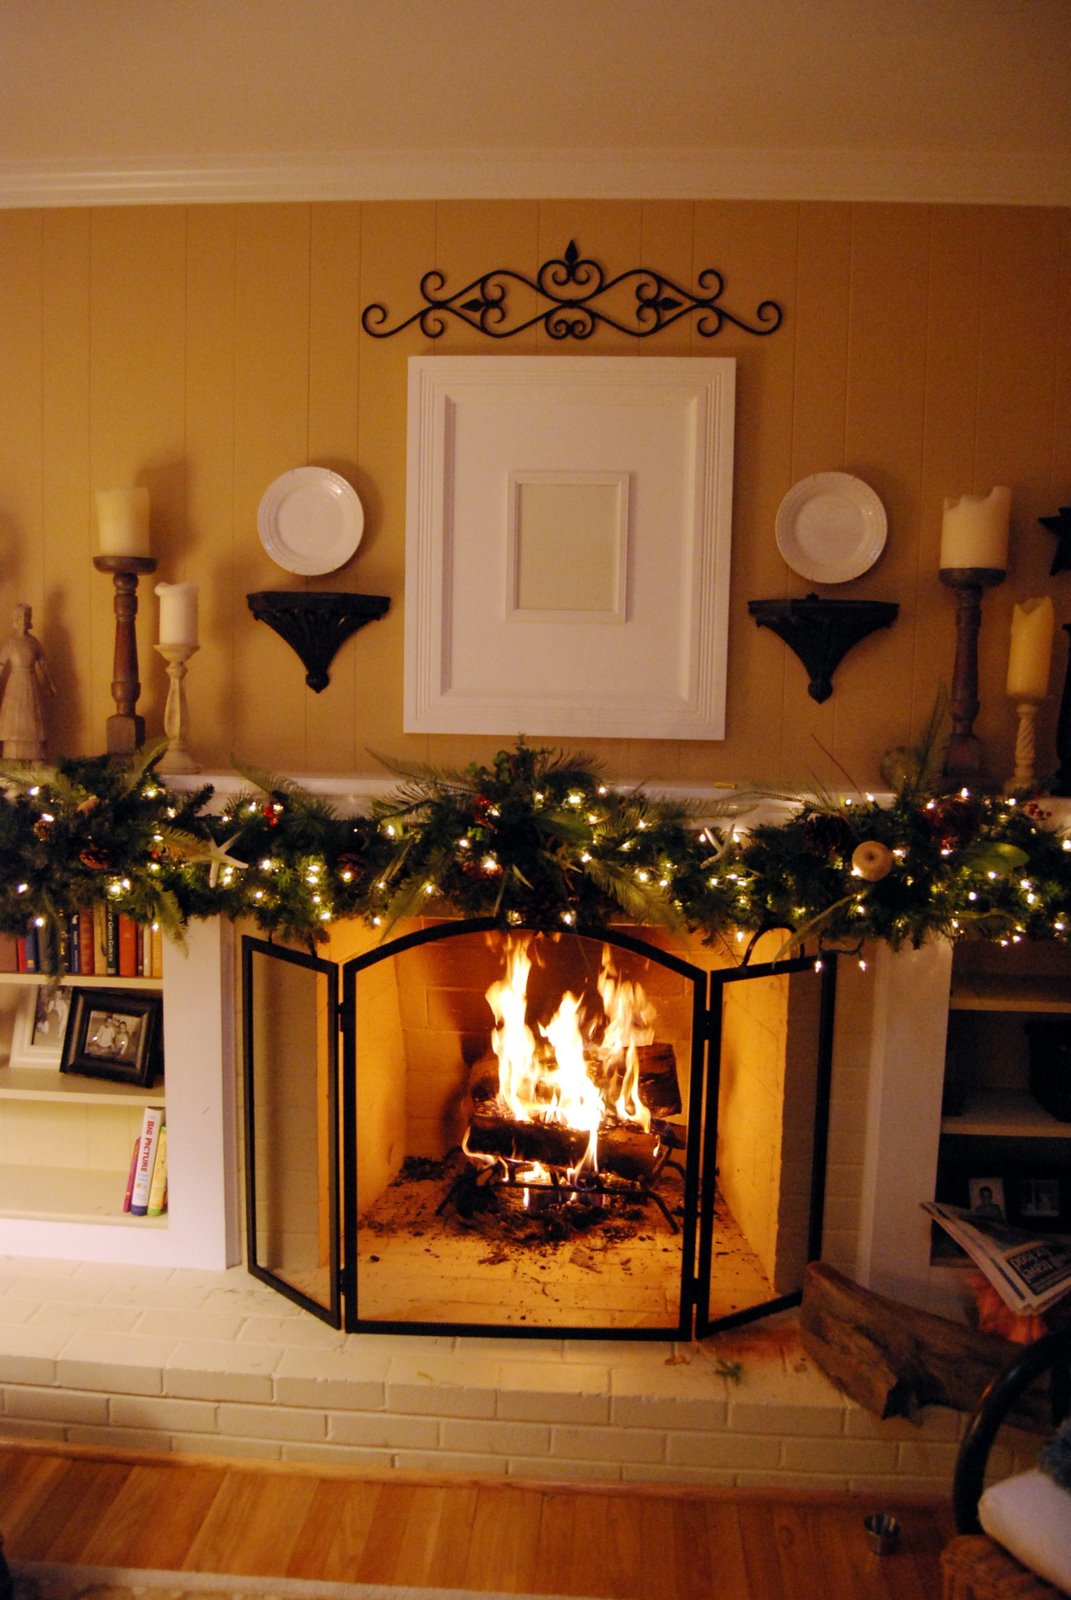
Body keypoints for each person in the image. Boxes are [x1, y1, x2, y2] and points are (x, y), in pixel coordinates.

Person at [0, 603, 56, 759]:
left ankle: (35, 754)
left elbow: (43, 664)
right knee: (13, 720)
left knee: (33, 721)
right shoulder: (10, 643)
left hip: (30, 683)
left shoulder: (34, 642)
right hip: (14, 685)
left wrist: (51, 684)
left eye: (27, 616)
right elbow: (1, 664)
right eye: (21, 616)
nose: (24, 620)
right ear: (16, 619)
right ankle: (12, 752)